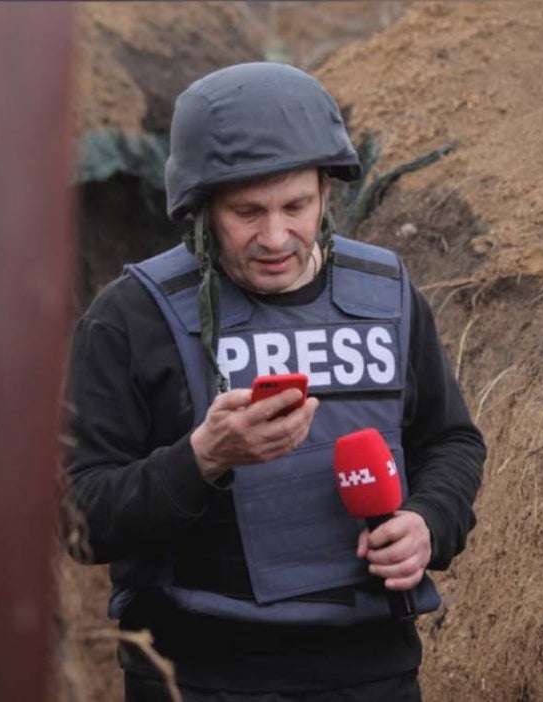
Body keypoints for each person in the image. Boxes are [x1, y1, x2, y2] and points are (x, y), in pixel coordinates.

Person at [64, 63, 485, 701]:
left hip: (370, 670)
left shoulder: (388, 292)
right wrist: (202, 459)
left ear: (326, 192)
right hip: (195, 676)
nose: (276, 236)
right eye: (247, 212)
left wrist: (429, 522)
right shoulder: (131, 317)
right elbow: (81, 516)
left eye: (297, 206)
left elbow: (451, 441)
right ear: (200, 207)